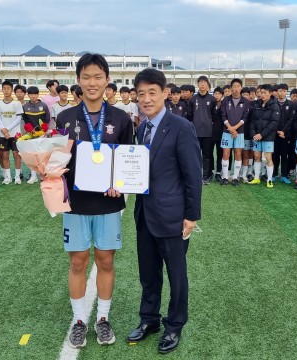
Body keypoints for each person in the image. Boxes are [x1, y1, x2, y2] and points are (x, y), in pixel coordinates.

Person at [55, 53, 133, 349]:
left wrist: (120, 183)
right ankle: (78, 321)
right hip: (74, 202)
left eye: (97, 77)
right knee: (77, 261)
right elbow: (56, 162)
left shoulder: (121, 118)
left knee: (106, 260)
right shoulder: (65, 118)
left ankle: (102, 318)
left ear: (107, 80)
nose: (92, 82)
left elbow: (128, 159)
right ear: (78, 81)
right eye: (86, 77)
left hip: (108, 203)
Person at [128, 67, 202, 354]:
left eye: (152, 93)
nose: (146, 99)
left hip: (172, 217)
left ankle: (174, 326)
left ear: (164, 94)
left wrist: (191, 215)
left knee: (176, 275)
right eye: (141, 94)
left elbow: (193, 175)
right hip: (145, 214)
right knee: (148, 273)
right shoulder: (142, 127)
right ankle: (150, 320)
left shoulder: (181, 127)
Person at [248, 84, 279, 188]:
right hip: (256, 136)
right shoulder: (257, 105)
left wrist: (262, 134)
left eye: (265, 93)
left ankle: (269, 180)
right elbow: (252, 121)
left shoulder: (275, 106)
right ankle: (256, 177)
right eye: (261, 92)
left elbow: (274, 123)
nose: (263, 95)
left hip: (268, 137)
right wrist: (254, 134)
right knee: (256, 156)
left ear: (270, 93)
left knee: (268, 157)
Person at [219, 78, 249, 186]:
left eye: (238, 86)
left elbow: (245, 117)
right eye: (234, 86)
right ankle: (225, 177)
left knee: (238, 153)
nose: (236, 88)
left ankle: (236, 177)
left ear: (241, 87)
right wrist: (230, 128)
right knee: (226, 153)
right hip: (227, 131)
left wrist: (235, 128)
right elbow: (223, 115)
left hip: (239, 132)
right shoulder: (225, 100)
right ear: (231, 88)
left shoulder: (245, 101)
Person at [0, 80, 24, 184]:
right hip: (3, 134)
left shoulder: (17, 103)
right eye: (4, 88)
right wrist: (3, 129)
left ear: (12, 90)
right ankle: (8, 177)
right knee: (5, 155)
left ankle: (17, 177)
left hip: (15, 133)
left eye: (8, 88)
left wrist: (7, 129)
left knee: (16, 154)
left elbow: (18, 119)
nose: (6, 90)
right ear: (2, 90)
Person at [190, 76, 216, 184]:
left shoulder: (212, 99)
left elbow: (214, 115)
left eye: (204, 82)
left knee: (207, 155)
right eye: (200, 82)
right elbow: (190, 115)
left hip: (208, 133)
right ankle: (196, 175)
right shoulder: (193, 99)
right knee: (195, 155)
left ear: (207, 85)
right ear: (198, 85)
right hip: (195, 132)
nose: (202, 84)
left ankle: (206, 176)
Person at [272, 84, 294, 184]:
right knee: (274, 155)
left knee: (284, 156)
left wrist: (283, 131)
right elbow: (272, 119)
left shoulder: (291, 104)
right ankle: (273, 174)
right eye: (280, 90)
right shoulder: (273, 103)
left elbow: (291, 119)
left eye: (284, 91)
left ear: (286, 92)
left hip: (285, 135)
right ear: (277, 92)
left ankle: (284, 175)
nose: (282, 93)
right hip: (274, 134)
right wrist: (277, 130)